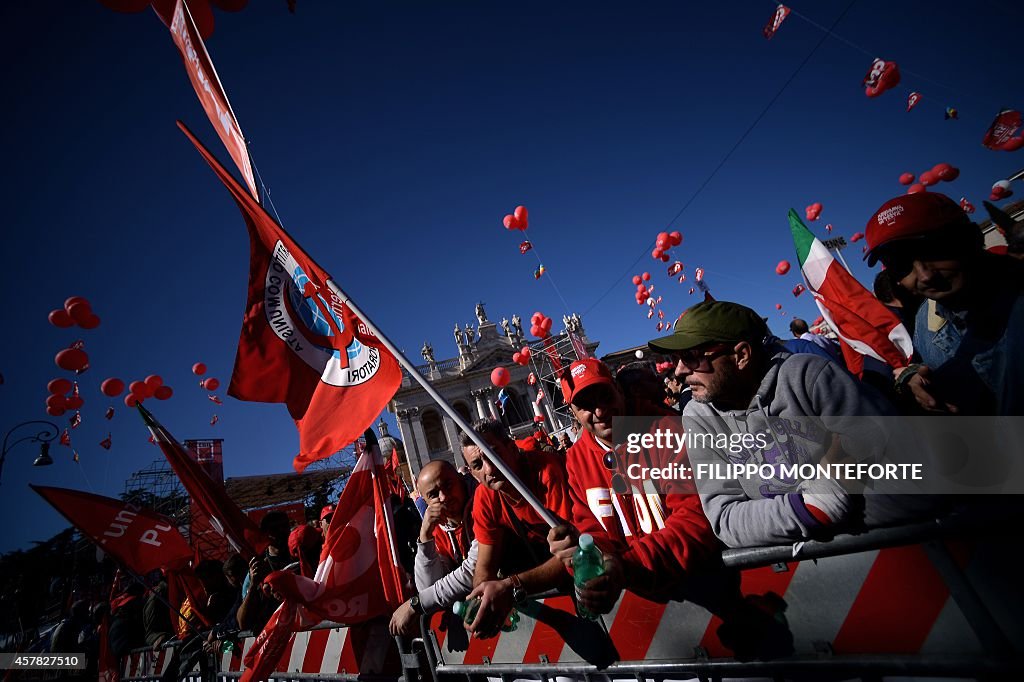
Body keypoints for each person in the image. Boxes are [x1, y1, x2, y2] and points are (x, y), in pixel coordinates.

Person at [548, 357, 793, 659]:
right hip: (654, 622)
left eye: (604, 396)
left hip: (714, 590)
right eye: (585, 404)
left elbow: (695, 519)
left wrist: (625, 567)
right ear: (572, 412)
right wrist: (585, 554)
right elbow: (592, 528)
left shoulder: (667, 429)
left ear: (618, 390)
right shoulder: (576, 459)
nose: (599, 411)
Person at [654, 300, 935, 548]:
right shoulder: (698, 416)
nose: (679, 370)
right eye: (676, 358)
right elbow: (726, 522)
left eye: (692, 356)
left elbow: (913, 489)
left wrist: (781, 519)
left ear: (741, 356)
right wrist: (816, 506)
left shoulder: (809, 377)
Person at [865, 192, 1024, 415]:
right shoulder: (926, 321)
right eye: (901, 265)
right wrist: (913, 378)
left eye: (932, 250)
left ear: (973, 238)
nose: (925, 275)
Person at [463, 419, 573, 639]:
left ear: (512, 448)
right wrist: (483, 598)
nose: (490, 469)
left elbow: (572, 554)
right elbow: (484, 567)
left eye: (493, 454)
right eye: (478, 465)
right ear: (471, 473)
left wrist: (510, 586)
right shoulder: (484, 498)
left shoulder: (546, 472)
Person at [389, 460, 478, 637]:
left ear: (460, 480)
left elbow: (474, 570)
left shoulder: (481, 504)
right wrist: (425, 536)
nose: (444, 497)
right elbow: (428, 586)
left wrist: (416, 603)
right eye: (433, 494)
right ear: (425, 501)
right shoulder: (438, 528)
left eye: (448, 485)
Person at [237, 511, 293, 632]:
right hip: (273, 636)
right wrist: (253, 586)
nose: (281, 532)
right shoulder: (257, 569)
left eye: (284, 526)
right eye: (274, 529)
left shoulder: (301, 557)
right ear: (265, 533)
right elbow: (243, 623)